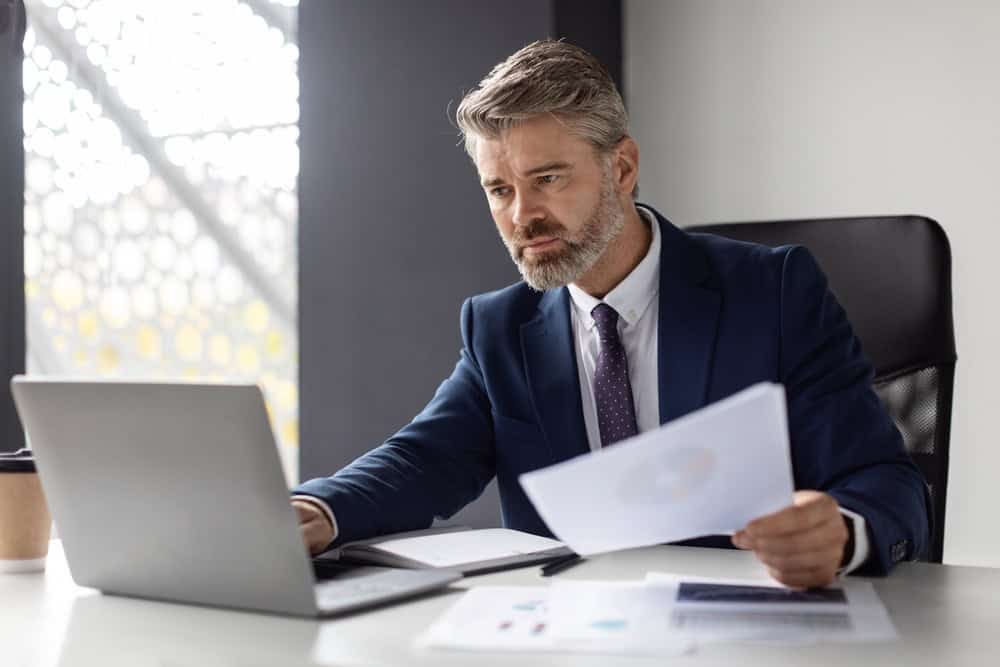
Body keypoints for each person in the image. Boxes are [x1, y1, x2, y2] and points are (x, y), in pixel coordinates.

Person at [291, 40, 929, 587]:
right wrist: (320, 508)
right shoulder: (499, 329)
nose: (522, 216)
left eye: (548, 179)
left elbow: (886, 480)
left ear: (621, 168)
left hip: (744, 624)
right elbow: (422, 461)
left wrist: (842, 534)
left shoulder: (773, 292)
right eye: (500, 189)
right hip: (573, 631)